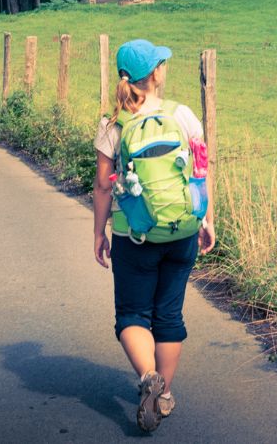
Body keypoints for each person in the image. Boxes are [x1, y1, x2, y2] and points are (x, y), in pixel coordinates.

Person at [92, 39, 215, 433]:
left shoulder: (112, 124)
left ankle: (148, 377)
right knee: (169, 316)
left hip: (135, 235)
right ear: (156, 73)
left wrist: (99, 232)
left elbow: (102, 186)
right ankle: (162, 397)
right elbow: (200, 170)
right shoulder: (182, 115)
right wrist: (206, 218)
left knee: (132, 315)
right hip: (181, 230)